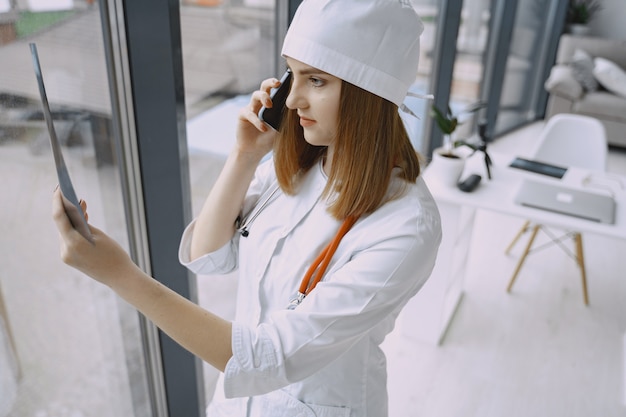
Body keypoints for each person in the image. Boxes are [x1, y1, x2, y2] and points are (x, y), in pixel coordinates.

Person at [52, 0, 442, 415]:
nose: (292, 101)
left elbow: (270, 358)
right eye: (293, 74)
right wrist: (243, 155)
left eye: (318, 81)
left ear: (371, 93)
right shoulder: (298, 166)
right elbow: (208, 256)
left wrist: (120, 275)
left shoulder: (406, 226)